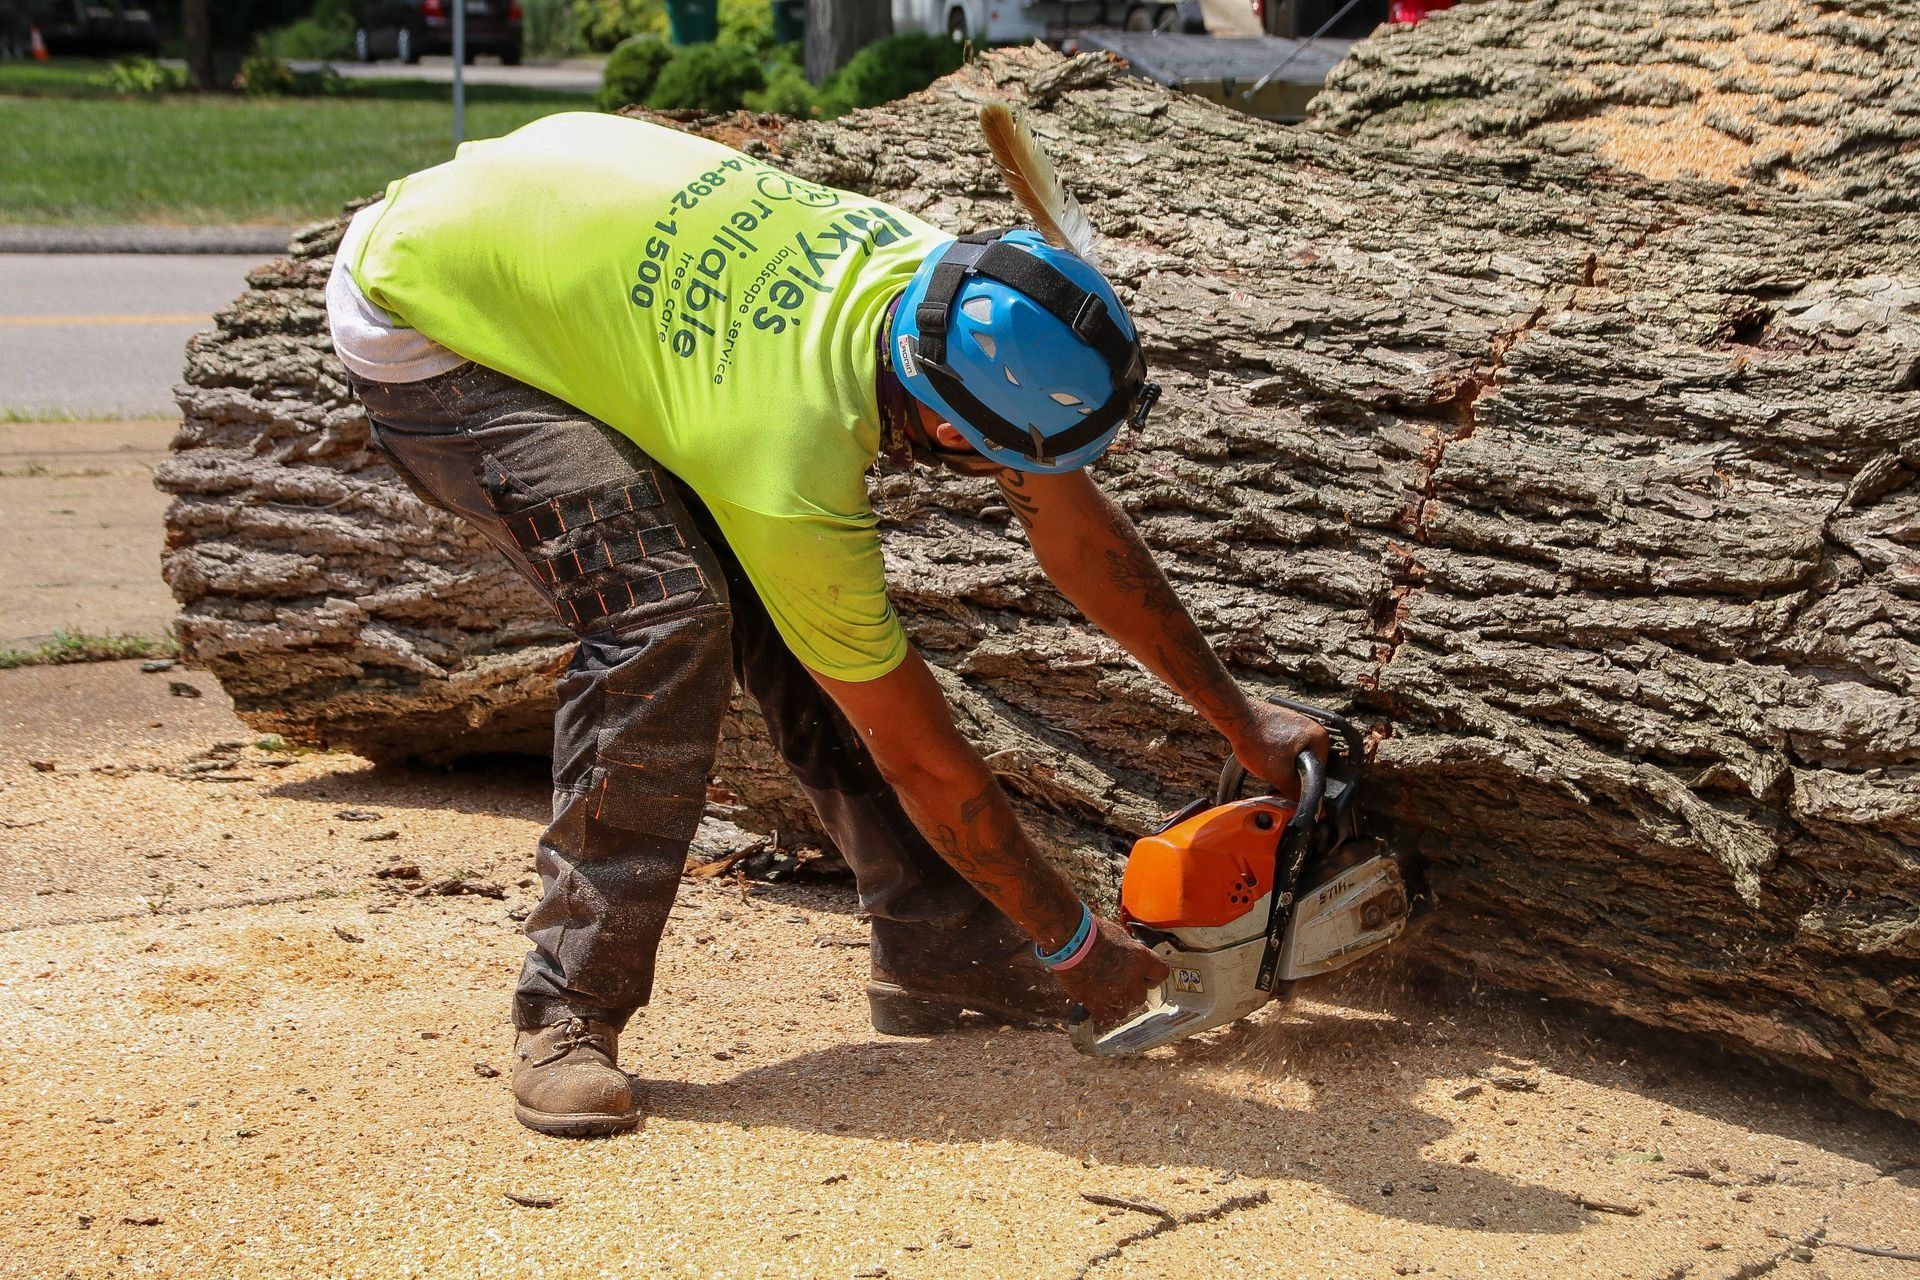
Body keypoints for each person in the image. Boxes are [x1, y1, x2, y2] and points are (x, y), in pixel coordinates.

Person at [325, 111, 1329, 1138]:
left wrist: (1238, 717)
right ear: (947, 428)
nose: (1048, 477)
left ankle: (941, 944)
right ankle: (566, 1008)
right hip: (430, 316)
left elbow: (1073, 537)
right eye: (1026, 457)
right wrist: (1073, 942)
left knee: (822, 631)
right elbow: (921, 757)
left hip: (573, 242)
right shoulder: (788, 465)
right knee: (667, 609)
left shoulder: (947, 288)